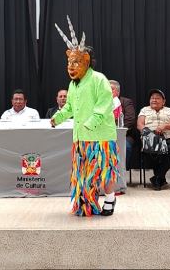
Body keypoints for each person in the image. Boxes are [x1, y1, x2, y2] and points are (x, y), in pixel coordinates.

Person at [50, 16, 119, 217]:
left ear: (86, 61)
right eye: (69, 62)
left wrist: (91, 123)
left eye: (76, 62)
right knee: (84, 173)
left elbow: (105, 104)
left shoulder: (99, 79)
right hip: (80, 137)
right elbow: (70, 106)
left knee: (105, 169)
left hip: (100, 136)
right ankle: (87, 201)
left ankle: (110, 198)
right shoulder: (73, 84)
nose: (71, 66)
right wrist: (58, 117)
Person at [137, 89, 170, 190]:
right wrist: (149, 133)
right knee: (153, 151)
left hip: (167, 137)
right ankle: (160, 178)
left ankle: (157, 177)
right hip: (150, 138)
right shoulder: (144, 110)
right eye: (152, 98)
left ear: (163, 101)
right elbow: (139, 125)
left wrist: (164, 126)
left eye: (157, 98)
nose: (154, 100)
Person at [109, 80, 137, 169]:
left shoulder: (125, 102)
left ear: (118, 91)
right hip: (104, 135)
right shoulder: (100, 103)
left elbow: (130, 120)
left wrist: (115, 130)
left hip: (124, 135)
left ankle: (122, 172)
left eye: (111, 89)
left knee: (126, 147)